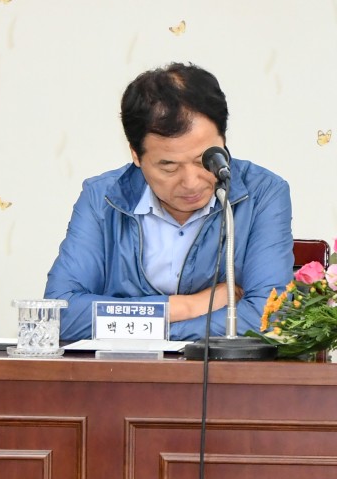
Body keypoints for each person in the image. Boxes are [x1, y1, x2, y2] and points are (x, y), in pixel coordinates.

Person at [45, 63, 293, 343]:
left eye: (204, 160)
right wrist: (187, 306)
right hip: (122, 369)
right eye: (169, 166)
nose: (191, 182)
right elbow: (59, 315)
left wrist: (141, 328)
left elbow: (266, 317)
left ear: (223, 141)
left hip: (220, 372)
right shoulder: (101, 198)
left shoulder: (263, 194)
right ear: (136, 155)